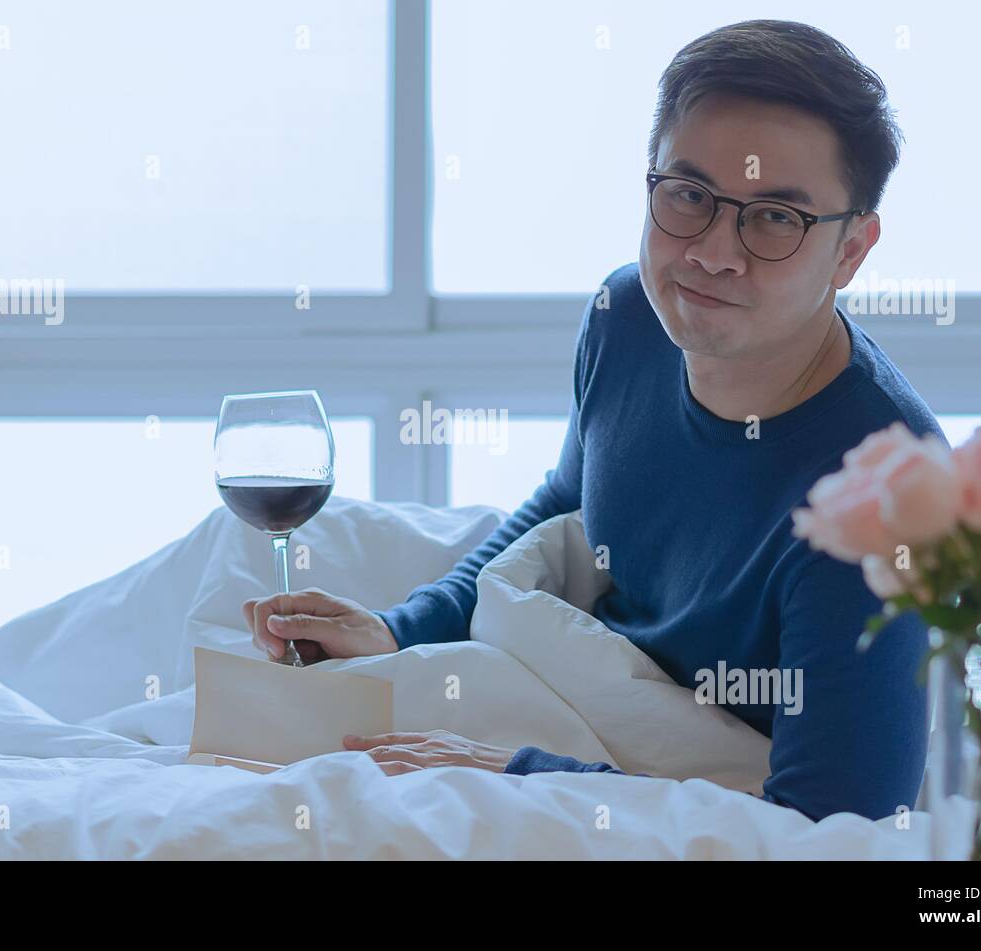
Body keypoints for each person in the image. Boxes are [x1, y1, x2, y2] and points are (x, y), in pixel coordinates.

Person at [241, 19, 942, 823]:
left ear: (852, 251)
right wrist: (399, 630)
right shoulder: (628, 318)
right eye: (689, 195)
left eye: (775, 218)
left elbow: (834, 821)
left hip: (699, 784)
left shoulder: (882, 496)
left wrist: (521, 773)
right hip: (587, 697)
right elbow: (569, 500)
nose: (714, 252)